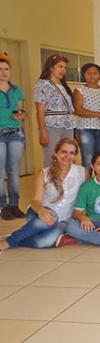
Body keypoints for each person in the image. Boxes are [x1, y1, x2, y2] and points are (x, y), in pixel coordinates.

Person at [0, 138, 88, 253]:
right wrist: (41, 210)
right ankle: (8, 243)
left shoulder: (83, 173)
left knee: (46, 241)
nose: (67, 156)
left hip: (66, 219)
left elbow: (85, 200)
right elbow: (36, 201)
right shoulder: (44, 173)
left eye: (71, 153)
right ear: (55, 152)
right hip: (39, 214)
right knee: (49, 218)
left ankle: (12, 237)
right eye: (63, 152)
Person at [34, 54, 76, 166]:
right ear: (51, 67)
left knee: (68, 156)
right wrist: (42, 130)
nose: (63, 70)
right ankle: (51, 182)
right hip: (51, 125)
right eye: (60, 66)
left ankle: (65, 182)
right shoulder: (42, 84)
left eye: (64, 67)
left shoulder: (63, 86)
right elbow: (40, 109)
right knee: (52, 157)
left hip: (67, 125)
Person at [0, 54, 26, 220]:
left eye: (6, 69)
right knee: (0, 172)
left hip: (16, 133)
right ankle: (3, 206)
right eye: (0, 69)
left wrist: (21, 115)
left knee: (13, 171)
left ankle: (14, 204)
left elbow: (21, 110)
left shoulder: (16, 89)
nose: (3, 72)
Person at [73, 63, 100, 170]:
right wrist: (98, 114)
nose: (92, 76)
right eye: (88, 73)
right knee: (87, 159)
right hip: (85, 129)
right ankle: (87, 185)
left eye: (95, 73)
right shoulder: (80, 90)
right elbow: (79, 110)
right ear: (84, 75)